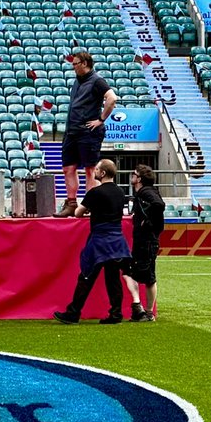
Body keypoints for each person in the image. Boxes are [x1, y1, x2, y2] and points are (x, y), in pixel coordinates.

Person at [54, 159, 131, 325]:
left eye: (96, 169)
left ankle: (73, 313)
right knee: (113, 279)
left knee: (87, 276)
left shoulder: (95, 192)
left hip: (100, 240)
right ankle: (116, 314)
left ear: (102, 173)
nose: (94, 171)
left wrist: (90, 209)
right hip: (117, 240)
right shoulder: (120, 192)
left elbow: (78, 213)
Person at [57, 51, 118, 217]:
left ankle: (90, 205)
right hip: (72, 131)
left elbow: (112, 98)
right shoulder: (77, 81)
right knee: (68, 168)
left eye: (75, 64)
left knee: (90, 170)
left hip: (88, 132)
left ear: (84, 63)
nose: (73, 67)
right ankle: (71, 204)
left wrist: (101, 119)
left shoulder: (97, 80)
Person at [124, 164, 165, 321]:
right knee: (144, 276)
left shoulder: (146, 192)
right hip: (147, 240)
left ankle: (144, 311)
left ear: (139, 178)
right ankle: (145, 311)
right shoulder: (146, 192)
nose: (132, 177)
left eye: (134, 174)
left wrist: (147, 223)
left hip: (146, 240)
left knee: (142, 275)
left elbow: (159, 205)